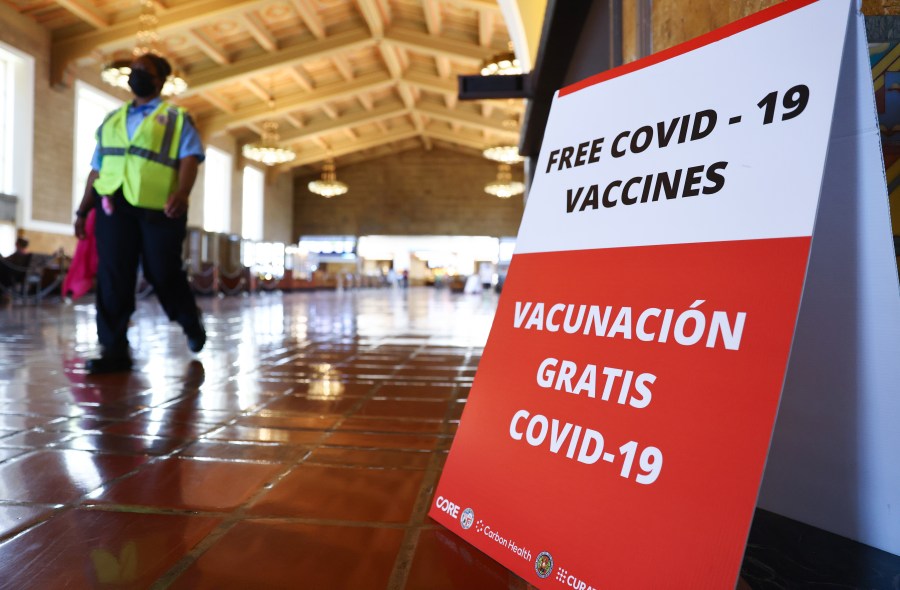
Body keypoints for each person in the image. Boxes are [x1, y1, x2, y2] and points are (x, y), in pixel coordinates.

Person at [73, 53, 206, 374]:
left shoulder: (175, 118)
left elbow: (190, 157)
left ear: (160, 80)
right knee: (113, 275)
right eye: (133, 71)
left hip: (160, 207)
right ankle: (114, 348)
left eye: (143, 71)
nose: (135, 75)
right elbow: (97, 168)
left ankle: (190, 321)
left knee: (162, 272)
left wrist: (183, 194)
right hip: (113, 205)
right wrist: (83, 209)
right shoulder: (112, 120)